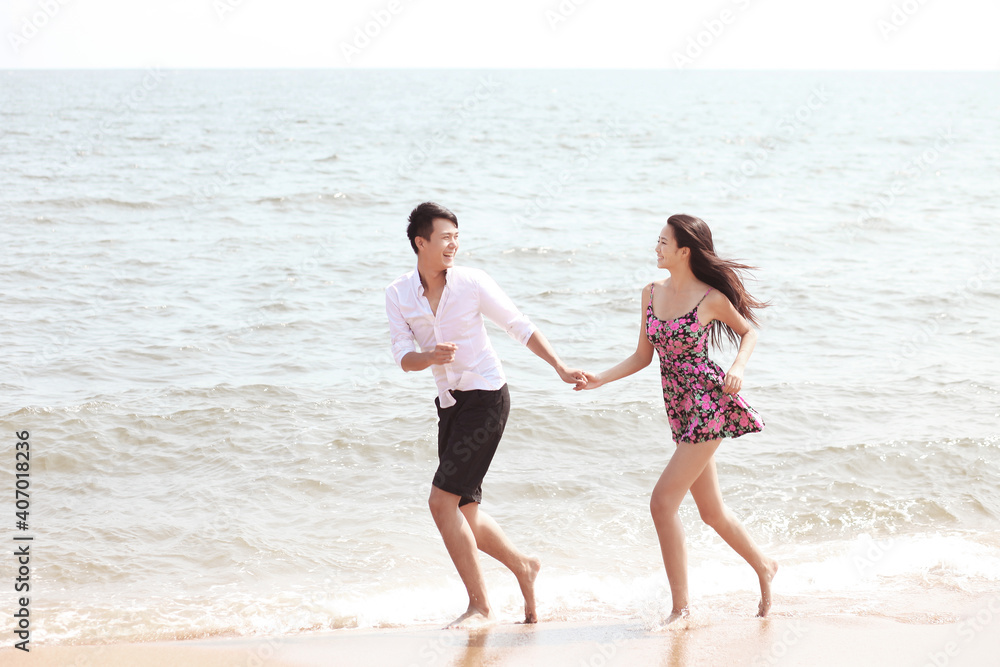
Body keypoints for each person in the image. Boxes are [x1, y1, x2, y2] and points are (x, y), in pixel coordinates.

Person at [385, 202, 586, 627]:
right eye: (445, 238)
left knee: (441, 503)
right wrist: (428, 356)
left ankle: (480, 607)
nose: (453, 244)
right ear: (421, 242)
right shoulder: (398, 294)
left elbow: (519, 325)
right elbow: (403, 358)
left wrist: (560, 367)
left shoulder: (472, 283)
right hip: (450, 404)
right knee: (464, 510)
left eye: (457, 237)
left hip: (487, 399)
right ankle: (524, 566)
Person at [577, 214, 778, 622]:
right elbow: (642, 356)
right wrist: (601, 378)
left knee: (662, 502)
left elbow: (749, 332)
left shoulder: (710, 299)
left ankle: (681, 609)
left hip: (708, 403)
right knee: (711, 512)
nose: (656, 248)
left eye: (663, 242)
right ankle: (764, 566)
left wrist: (737, 367)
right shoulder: (650, 294)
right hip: (679, 409)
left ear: (684, 251)